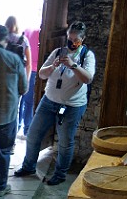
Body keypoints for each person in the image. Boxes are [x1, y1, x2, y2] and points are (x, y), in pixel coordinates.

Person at [13, 21, 95, 186]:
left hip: (71, 106)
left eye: (76, 40)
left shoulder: (87, 55)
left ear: (83, 39)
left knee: (65, 141)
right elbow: (42, 74)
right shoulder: (58, 52)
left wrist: (73, 66)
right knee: (34, 134)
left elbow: (88, 78)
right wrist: (53, 65)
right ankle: (28, 166)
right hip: (49, 101)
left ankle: (60, 174)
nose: (71, 43)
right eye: (69, 39)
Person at [0, 24, 29, 198]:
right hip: (6, 115)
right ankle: (0, 187)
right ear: (5, 40)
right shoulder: (13, 59)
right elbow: (23, 88)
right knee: (3, 151)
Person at [18, 25, 41, 137]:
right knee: (28, 101)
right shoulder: (34, 32)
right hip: (33, 69)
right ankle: (26, 130)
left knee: (21, 101)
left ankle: (18, 128)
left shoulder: (27, 30)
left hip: (24, 68)